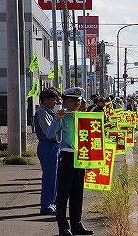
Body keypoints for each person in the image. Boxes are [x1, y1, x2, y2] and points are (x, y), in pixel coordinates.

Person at [46, 87, 94, 236]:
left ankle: (77, 224)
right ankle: (63, 227)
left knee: (77, 193)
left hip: (81, 157)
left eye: (78, 100)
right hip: (66, 156)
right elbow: (49, 134)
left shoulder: (82, 117)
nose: (76, 103)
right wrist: (57, 119)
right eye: (73, 100)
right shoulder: (62, 115)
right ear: (66, 101)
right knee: (63, 194)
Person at [34, 87, 61, 215]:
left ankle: (51, 202)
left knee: (54, 177)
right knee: (50, 177)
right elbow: (49, 133)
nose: (55, 102)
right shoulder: (43, 113)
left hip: (52, 146)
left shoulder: (48, 111)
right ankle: (46, 205)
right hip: (48, 145)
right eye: (53, 100)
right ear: (45, 99)